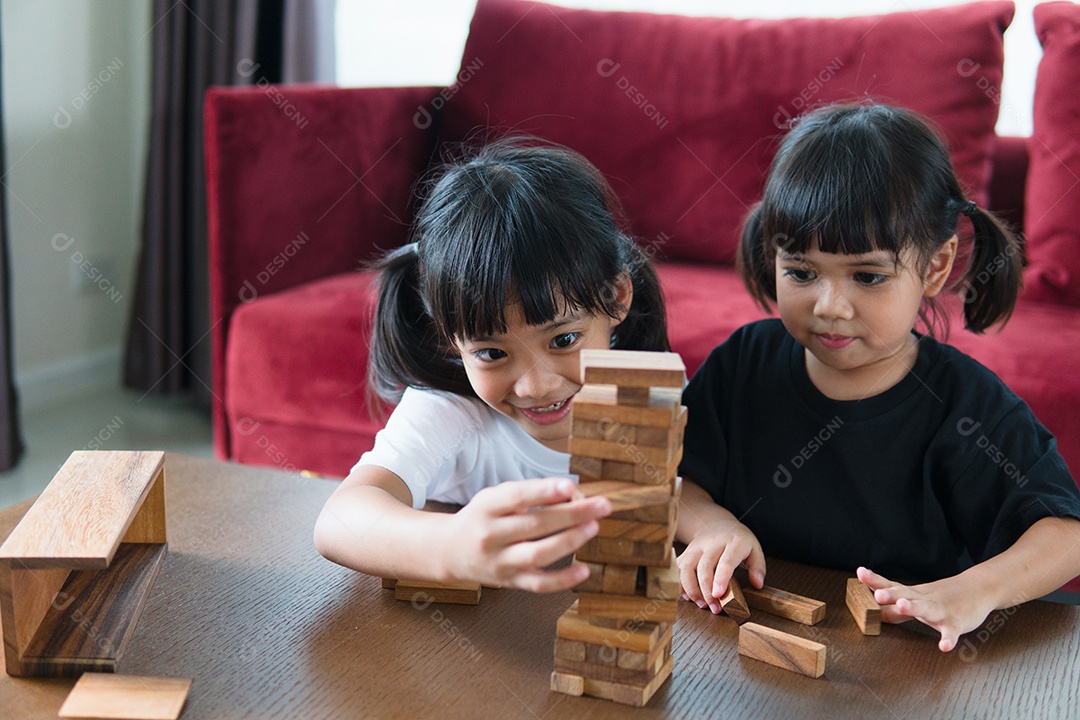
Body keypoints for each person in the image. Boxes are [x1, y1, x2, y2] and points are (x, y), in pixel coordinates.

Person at [677, 103, 1080, 652]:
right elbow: (672, 477)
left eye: (867, 276)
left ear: (935, 268)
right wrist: (708, 524)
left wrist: (973, 591)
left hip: (903, 662)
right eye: (800, 271)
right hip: (741, 648)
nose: (831, 306)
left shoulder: (966, 406)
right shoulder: (742, 363)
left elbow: (1066, 534)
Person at [314, 137, 688, 592]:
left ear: (616, 298)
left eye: (564, 339)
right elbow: (338, 520)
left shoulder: (645, 392)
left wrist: (709, 528)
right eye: (492, 353)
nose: (536, 385)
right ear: (450, 340)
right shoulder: (449, 411)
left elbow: (671, 491)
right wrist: (449, 546)